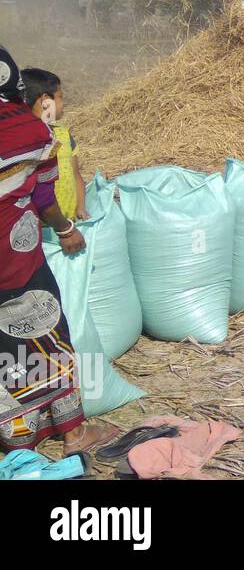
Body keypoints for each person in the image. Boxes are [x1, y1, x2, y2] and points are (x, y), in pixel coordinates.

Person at [0, 46, 117, 454]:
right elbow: (45, 196)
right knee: (47, 331)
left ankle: (17, 440)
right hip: (19, 258)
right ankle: (71, 432)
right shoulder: (32, 132)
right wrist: (66, 228)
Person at [21, 69, 88, 221]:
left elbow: (76, 175)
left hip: (69, 221)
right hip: (40, 226)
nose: (62, 103)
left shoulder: (63, 135)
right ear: (46, 101)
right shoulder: (25, 142)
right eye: (60, 97)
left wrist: (81, 208)